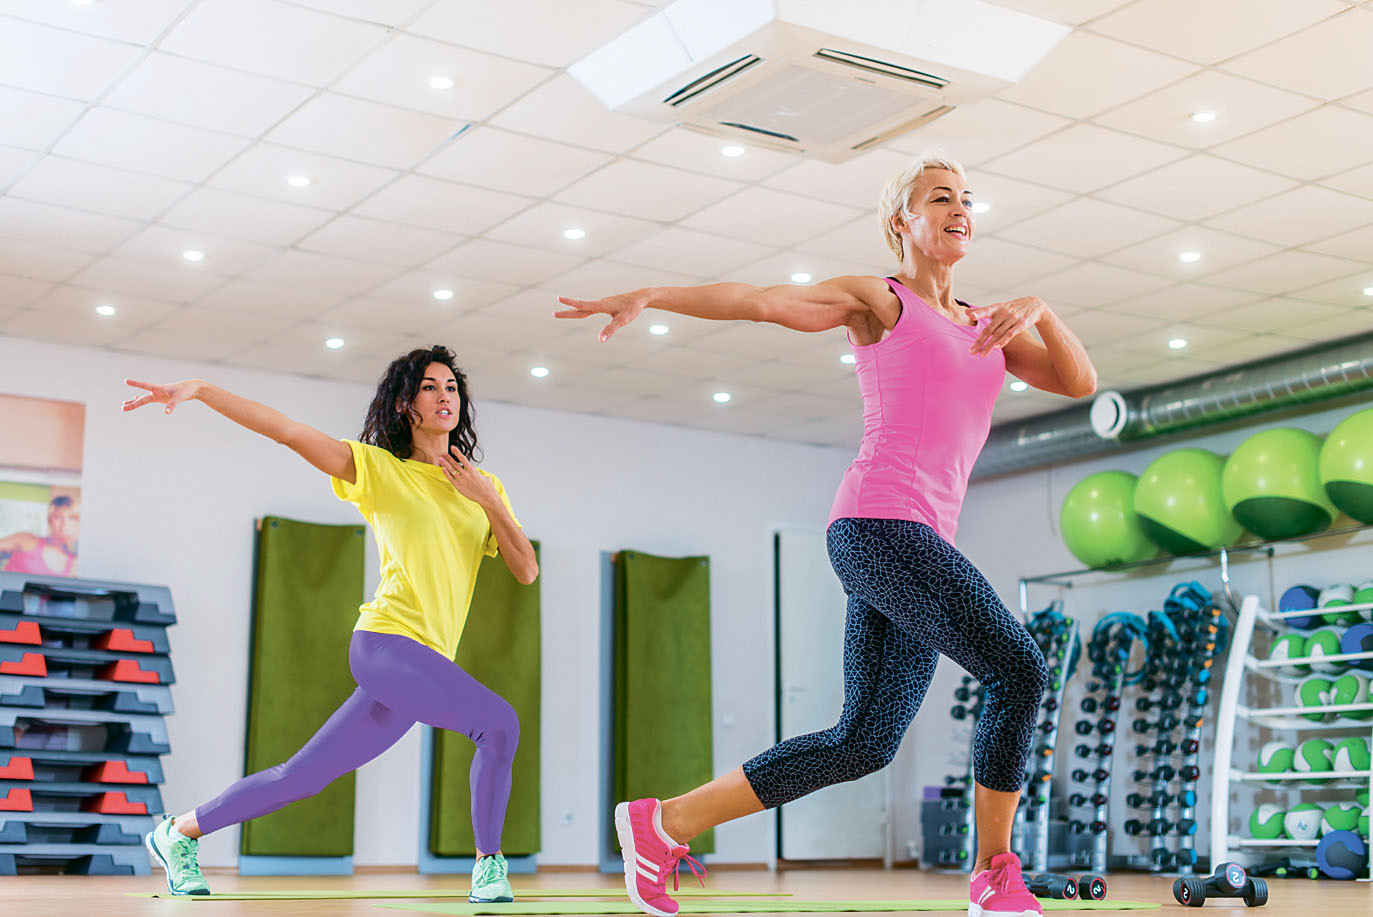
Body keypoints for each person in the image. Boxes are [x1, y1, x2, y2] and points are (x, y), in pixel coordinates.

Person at [556, 153, 1097, 917]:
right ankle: (994, 872)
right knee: (1019, 670)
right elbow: (760, 301)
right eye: (939, 198)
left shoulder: (988, 325)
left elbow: (1078, 382)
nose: (958, 209)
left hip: (911, 540)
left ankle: (665, 819)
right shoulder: (880, 299)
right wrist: (654, 294)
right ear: (900, 220)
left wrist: (1040, 309)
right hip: (879, 523)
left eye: (966, 199)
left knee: (862, 740)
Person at [124, 345, 537, 902]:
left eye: (451, 388)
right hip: (386, 644)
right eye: (429, 387)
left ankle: (178, 833)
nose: (445, 396)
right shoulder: (381, 470)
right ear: (405, 405)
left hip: (426, 660)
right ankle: (489, 865)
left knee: (301, 777)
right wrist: (201, 390)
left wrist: (488, 500)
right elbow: (287, 431)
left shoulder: (484, 488)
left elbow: (526, 570)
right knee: (499, 724)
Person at [0, 494, 80, 576]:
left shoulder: (74, 563)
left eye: (71, 518)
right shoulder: (26, 540)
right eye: (57, 517)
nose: (64, 524)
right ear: (50, 520)